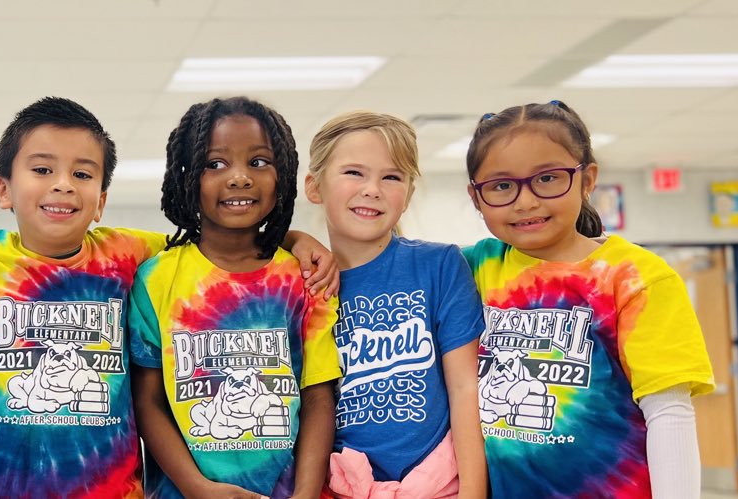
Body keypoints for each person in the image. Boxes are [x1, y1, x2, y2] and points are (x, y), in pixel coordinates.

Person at [463, 100, 714, 498]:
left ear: (587, 179)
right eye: (501, 186)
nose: (525, 201)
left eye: (547, 178)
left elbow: (669, 412)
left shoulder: (635, 277)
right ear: (476, 198)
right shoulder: (471, 268)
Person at [128, 97, 339, 499]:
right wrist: (197, 487)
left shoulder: (303, 277)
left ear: (285, 176)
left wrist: (305, 496)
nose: (240, 177)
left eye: (259, 162)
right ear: (187, 177)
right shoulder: (156, 279)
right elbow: (148, 401)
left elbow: (317, 397)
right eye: (215, 164)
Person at [303, 111, 485, 499]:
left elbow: (465, 387)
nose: (372, 189)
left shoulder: (439, 265)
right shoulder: (302, 282)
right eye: (354, 172)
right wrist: (292, 239)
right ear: (314, 187)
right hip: (341, 487)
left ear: (409, 195)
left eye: (392, 177)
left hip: (441, 485)